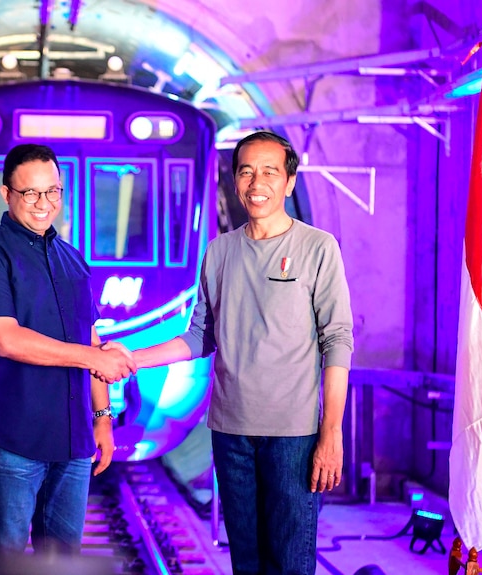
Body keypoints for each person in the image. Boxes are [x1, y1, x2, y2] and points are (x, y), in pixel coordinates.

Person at [126, 131, 354, 575]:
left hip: (294, 436)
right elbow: (199, 337)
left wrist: (332, 433)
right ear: (234, 181)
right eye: (246, 171)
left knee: (289, 561)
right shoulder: (219, 251)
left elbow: (337, 341)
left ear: (289, 182)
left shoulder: (318, 247)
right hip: (230, 432)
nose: (257, 182)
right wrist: (133, 358)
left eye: (270, 171)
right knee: (246, 562)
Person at [0, 143, 136, 574]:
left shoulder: (72, 258)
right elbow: (6, 340)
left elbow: (91, 342)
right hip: (11, 439)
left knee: (62, 560)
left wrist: (102, 417)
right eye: (30, 193)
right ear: (6, 194)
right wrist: (90, 357)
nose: (44, 204)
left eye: (52, 192)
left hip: (73, 441)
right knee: (4, 558)